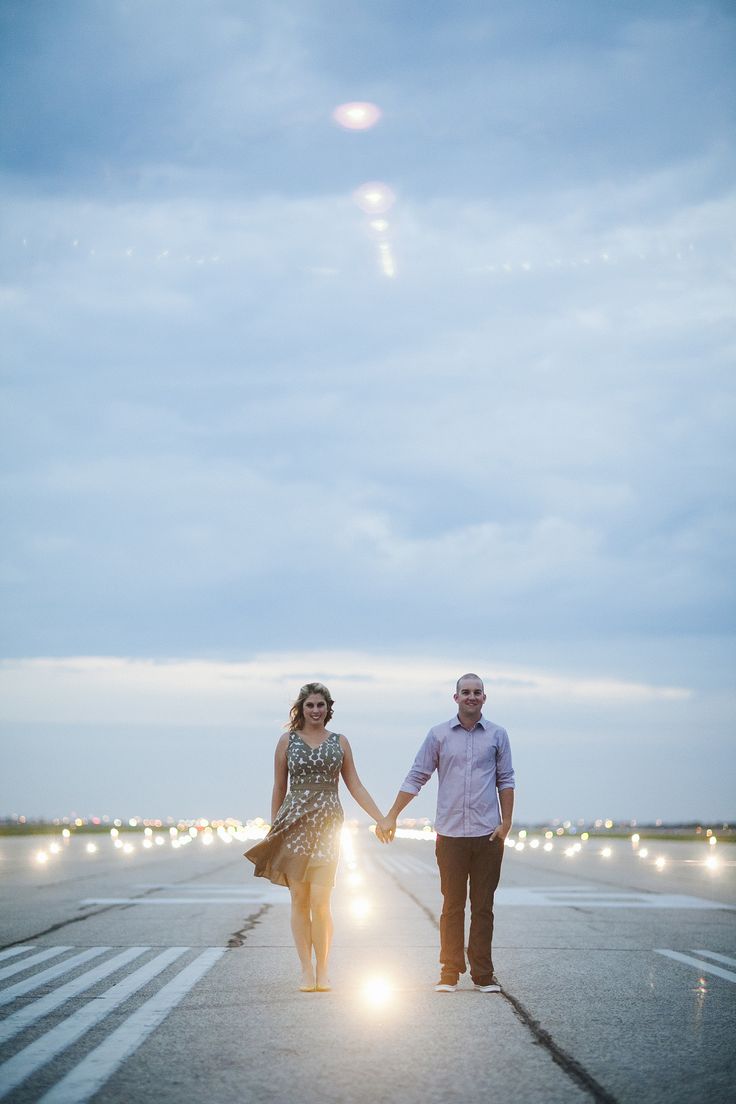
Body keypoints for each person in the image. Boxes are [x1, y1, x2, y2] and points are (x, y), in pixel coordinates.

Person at [244, 682, 391, 992]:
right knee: (299, 899)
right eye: (309, 705)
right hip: (293, 825)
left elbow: (356, 786)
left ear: (328, 709)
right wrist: (274, 829)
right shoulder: (287, 741)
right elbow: (278, 788)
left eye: (320, 705)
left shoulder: (340, 742)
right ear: (301, 708)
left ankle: (323, 969)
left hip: (327, 826)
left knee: (321, 902)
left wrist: (380, 818)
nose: (315, 710)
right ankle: (306, 971)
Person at [384, 673, 515, 993]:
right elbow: (417, 776)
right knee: (452, 905)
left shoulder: (498, 735)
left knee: (483, 906)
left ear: (485, 698)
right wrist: (392, 815)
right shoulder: (439, 735)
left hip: (488, 836)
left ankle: (483, 974)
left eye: (477, 692)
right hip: (451, 835)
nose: (472, 697)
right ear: (455, 697)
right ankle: (450, 971)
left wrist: (506, 823)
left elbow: (506, 780)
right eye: (465, 692)